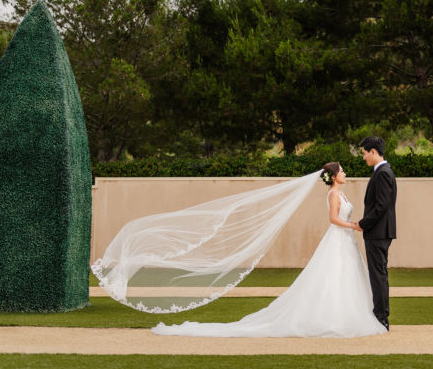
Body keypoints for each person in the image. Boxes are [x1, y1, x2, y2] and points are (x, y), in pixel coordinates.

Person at [151, 162, 387, 338]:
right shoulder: (334, 193)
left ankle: (344, 314)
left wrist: (353, 226)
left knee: (345, 276)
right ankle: (333, 317)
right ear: (334, 176)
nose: (345, 174)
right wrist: (354, 225)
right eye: (342, 171)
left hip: (345, 239)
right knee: (333, 275)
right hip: (339, 236)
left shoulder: (341, 192)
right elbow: (333, 219)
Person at [357, 136, 397, 331]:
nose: (363, 157)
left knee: (378, 274)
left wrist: (363, 224)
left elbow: (381, 206)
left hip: (378, 232)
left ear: (373, 151)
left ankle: (381, 317)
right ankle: (381, 315)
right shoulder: (383, 172)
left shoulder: (382, 173)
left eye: (364, 153)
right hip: (380, 232)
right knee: (379, 273)